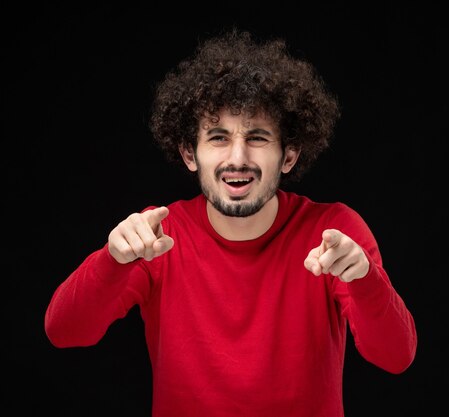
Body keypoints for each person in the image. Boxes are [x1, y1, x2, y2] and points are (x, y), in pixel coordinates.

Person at [44, 29, 417, 416]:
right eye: (218, 137)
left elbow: (396, 356)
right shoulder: (156, 235)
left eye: (256, 137)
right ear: (190, 153)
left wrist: (364, 279)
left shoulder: (334, 233)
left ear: (288, 156)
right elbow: (64, 331)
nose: (237, 158)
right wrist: (112, 259)